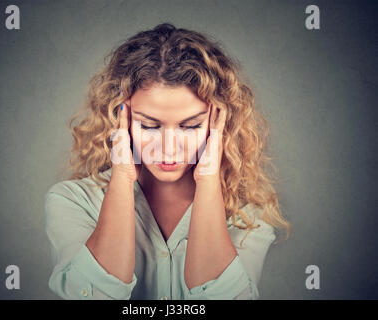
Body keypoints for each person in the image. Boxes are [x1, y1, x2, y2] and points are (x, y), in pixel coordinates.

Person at [44, 23, 291, 300]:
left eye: (190, 126)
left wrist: (209, 178)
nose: (169, 148)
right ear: (118, 120)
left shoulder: (249, 216)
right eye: (149, 126)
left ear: (218, 124)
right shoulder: (72, 201)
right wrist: (122, 175)